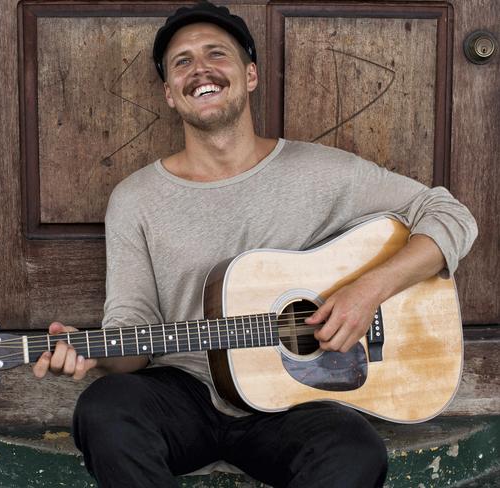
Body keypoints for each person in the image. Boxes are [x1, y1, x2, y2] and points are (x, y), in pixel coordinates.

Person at [33, 2, 478, 487]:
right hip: (185, 395)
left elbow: (450, 214)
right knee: (104, 410)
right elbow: (132, 332)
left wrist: (367, 291)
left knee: (354, 450)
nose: (199, 69)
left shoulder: (320, 173)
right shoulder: (136, 199)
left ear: (249, 75)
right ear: (169, 94)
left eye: (215, 54)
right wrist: (92, 352)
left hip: (293, 403)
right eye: (182, 62)